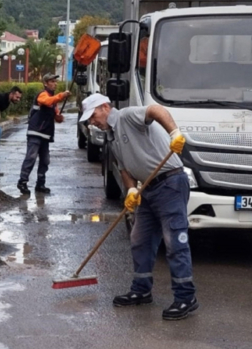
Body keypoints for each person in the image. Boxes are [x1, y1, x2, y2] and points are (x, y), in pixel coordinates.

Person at [78, 94, 199, 320]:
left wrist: (175, 132)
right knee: (139, 240)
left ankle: (186, 297)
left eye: (93, 116)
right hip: (148, 189)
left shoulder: (126, 116)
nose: (91, 122)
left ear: (105, 107)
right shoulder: (112, 138)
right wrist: (131, 189)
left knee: (175, 241)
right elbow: (125, 168)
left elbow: (155, 110)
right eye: (88, 120)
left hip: (170, 183)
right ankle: (141, 290)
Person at [17, 73, 70, 195]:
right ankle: (22, 182)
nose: (55, 83)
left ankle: (40, 184)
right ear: (45, 83)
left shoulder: (53, 101)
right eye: (52, 81)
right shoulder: (43, 95)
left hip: (45, 135)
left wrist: (58, 117)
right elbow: (46, 101)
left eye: (55, 81)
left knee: (45, 160)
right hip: (35, 132)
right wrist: (62, 95)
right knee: (31, 157)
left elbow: (56, 115)